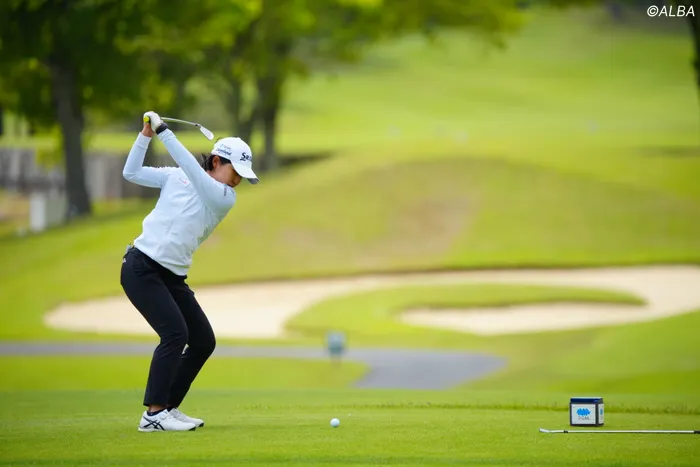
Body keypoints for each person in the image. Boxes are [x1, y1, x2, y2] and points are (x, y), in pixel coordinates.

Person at [120, 111, 258, 432]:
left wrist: (164, 130)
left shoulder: (224, 197)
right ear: (216, 161)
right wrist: (146, 135)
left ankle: (167, 407)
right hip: (142, 267)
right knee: (175, 333)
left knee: (203, 341)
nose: (237, 180)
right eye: (235, 172)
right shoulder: (176, 176)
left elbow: (194, 172)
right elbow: (131, 172)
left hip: (171, 275)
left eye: (242, 176)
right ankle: (154, 415)